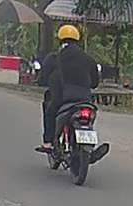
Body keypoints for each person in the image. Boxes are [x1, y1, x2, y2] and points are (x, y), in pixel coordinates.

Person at [36, 25, 100, 153]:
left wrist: (43, 81)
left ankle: (48, 143)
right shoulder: (89, 59)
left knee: (49, 111)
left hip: (62, 99)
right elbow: (95, 83)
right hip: (85, 99)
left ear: (60, 40)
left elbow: (42, 79)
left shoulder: (54, 58)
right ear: (78, 40)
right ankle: (89, 148)